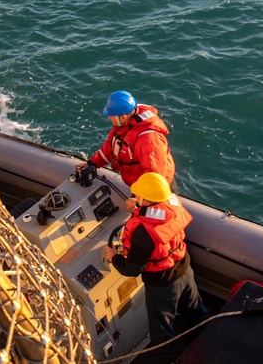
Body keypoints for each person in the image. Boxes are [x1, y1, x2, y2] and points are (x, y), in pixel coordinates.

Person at [103, 172, 207, 362]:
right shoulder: (173, 203)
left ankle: (165, 359)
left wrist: (114, 257)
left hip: (163, 285)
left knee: (161, 332)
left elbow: (132, 269)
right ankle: (207, 337)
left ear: (146, 199)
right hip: (184, 269)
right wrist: (138, 207)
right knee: (195, 310)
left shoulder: (142, 233)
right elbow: (158, 214)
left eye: (138, 195)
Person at [78, 90, 177, 208]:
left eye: (111, 115)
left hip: (155, 193)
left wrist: (139, 200)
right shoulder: (123, 126)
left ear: (123, 117)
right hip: (142, 187)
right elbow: (111, 147)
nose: (109, 117)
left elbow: (155, 175)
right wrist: (92, 163)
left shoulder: (148, 140)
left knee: (151, 222)